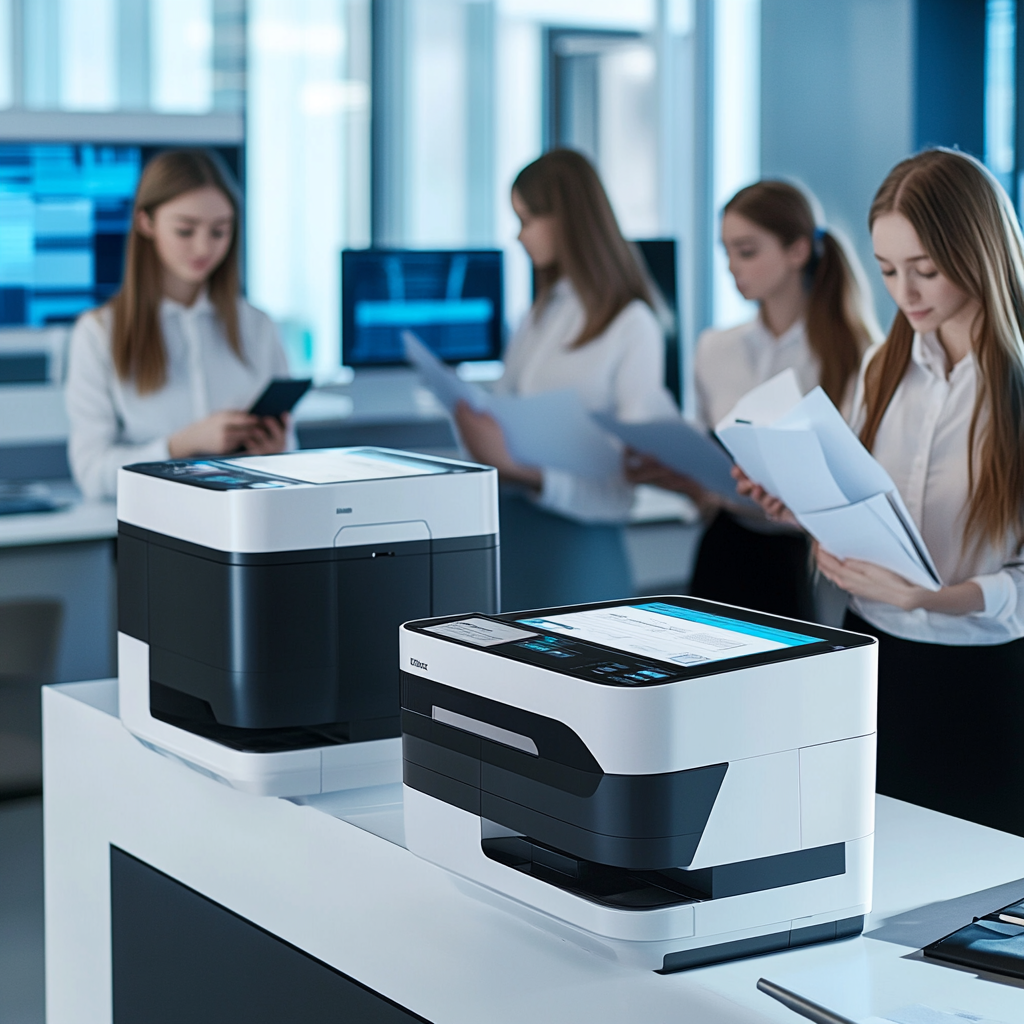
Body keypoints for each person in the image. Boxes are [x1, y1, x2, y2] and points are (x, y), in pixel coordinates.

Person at [741, 149, 1024, 836]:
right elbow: (869, 500)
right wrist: (805, 504)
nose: (906, 292)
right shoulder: (883, 365)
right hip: (874, 658)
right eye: (888, 270)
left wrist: (938, 598)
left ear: (978, 250)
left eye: (926, 269)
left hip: (989, 682)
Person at [627, 180, 879, 619]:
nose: (731, 267)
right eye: (725, 252)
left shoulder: (859, 355)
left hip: (802, 553)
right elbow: (710, 458)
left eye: (746, 251)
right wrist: (686, 481)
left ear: (797, 251)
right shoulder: (714, 348)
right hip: (726, 543)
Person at [455, 149, 677, 611]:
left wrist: (523, 470)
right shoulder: (540, 313)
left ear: (568, 219)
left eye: (528, 218)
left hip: (579, 550)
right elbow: (505, 413)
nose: (519, 235)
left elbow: (622, 482)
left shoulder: (631, 323)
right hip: (516, 536)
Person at [66, 149, 292, 501]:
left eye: (219, 231)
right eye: (185, 230)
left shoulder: (257, 327)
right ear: (146, 223)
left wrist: (275, 454)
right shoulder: (99, 334)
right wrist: (179, 445)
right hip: (155, 535)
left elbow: (291, 455)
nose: (204, 247)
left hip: (242, 531)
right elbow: (93, 476)